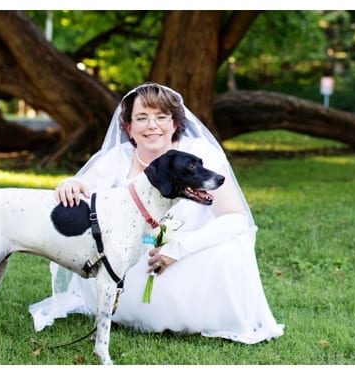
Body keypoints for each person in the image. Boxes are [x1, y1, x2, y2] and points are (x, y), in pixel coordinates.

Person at [29, 82, 284, 344]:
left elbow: (236, 218)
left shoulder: (199, 154)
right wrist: (71, 184)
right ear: (129, 127)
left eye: (161, 117)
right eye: (142, 118)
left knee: (230, 249)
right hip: (132, 262)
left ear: (174, 124)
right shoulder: (119, 157)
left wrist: (181, 247)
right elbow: (84, 186)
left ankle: (193, 310)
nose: (152, 125)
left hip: (190, 260)